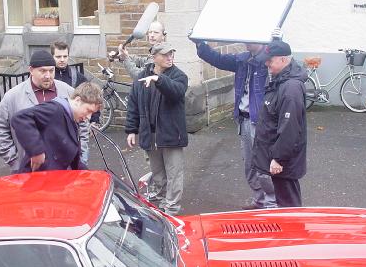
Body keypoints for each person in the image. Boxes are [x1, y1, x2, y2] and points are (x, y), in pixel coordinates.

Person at [195, 40, 276, 210]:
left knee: (263, 164)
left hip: (260, 122)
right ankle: (259, 199)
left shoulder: (269, 60)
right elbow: (218, 59)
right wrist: (200, 44)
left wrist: (275, 41)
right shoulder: (242, 59)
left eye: (250, 39)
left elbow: (285, 66)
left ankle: (272, 204)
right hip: (243, 119)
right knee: (249, 164)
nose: (246, 42)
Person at [0, 50, 89, 172]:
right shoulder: (13, 96)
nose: (48, 76)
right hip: (29, 171)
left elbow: (83, 125)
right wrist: (15, 161)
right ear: (31, 70)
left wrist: (81, 157)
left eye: (51, 71)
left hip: (64, 171)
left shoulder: (68, 92)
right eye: (42, 71)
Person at [125, 42, 188, 215]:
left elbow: (176, 92)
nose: (170, 57)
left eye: (171, 54)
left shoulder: (179, 76)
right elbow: (133, 104)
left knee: (174, 173)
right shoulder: (142, 76)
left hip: (171, 134)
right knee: (158, 173)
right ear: (154, 57)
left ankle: (172, 208)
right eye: (165, 54)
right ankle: (161, 202)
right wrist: (131, 130)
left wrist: (159, 79)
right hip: (150, 133)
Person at [251, 40, 307, 207]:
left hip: (284, 163)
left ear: (283, 59)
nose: (267, 64)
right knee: (285, 202)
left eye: (270, 60)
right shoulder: (281, 80)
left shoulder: (290, 88)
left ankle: (293, 225)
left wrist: (278, 159)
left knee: (289, 205)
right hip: (279, 159)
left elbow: (290, 127)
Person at [11, 82, 103, 172]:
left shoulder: (72, 120)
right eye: (88, 110)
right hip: (34, 178)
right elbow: (20, 118)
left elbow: (75, 161)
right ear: (77, 100)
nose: (89, 117)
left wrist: (89, 176)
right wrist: (36, 151)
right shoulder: (55, 109)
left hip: (52, 179)